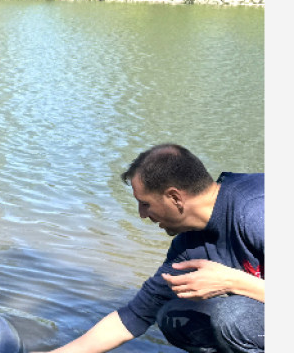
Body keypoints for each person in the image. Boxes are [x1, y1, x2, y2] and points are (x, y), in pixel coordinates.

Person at [35, 143, 264, 353]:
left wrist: (232, 282)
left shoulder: (255, 210)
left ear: (174, 197)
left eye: (145, 204)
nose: (142, 214)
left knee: (233, 317)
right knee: (173, 316)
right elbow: (136, 315)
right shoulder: (188, 243)